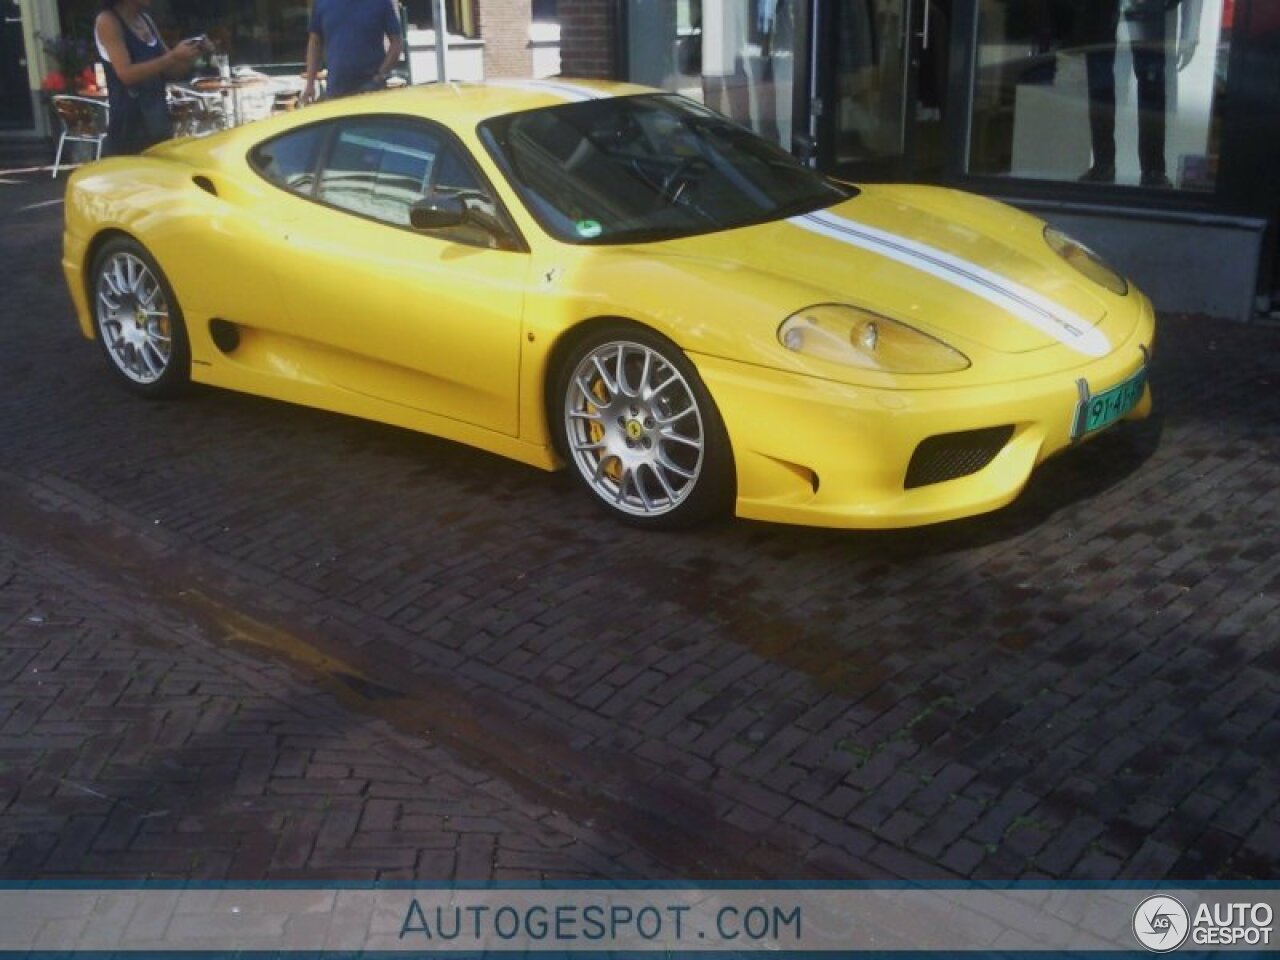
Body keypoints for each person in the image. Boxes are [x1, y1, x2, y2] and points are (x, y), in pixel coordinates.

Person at [1080, 0, 1202, 188]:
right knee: (1100, 82)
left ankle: (1152, 169)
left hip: (1147, 7)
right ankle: (1104, 163)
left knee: (1150, 83)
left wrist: (1190, 31)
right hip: (1101, 9)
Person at [94, 0, 206, 156]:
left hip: (157, 121)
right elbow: (126, 74)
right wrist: (173, 56)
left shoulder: (146, 20)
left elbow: (171, 71)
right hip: (129, 126)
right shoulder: (108, 21)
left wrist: (194, 52)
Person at [303, 0, 403, 102]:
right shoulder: (322, 3)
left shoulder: (380, 2)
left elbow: (396, 43)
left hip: (372, 90)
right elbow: (315, 42)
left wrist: (380, 76)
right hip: (336, 89)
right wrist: (310, 84)